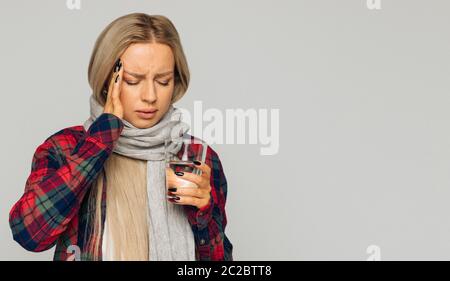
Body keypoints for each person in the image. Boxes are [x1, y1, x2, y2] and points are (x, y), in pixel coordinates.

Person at [8, 12, 232, 261]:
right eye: (133, 81)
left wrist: (204, 214)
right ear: (107, 81)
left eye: (163, 80)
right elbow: (30, 234)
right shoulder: (65, 148)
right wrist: (100, 141)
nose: (150, 95)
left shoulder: (196, 155)